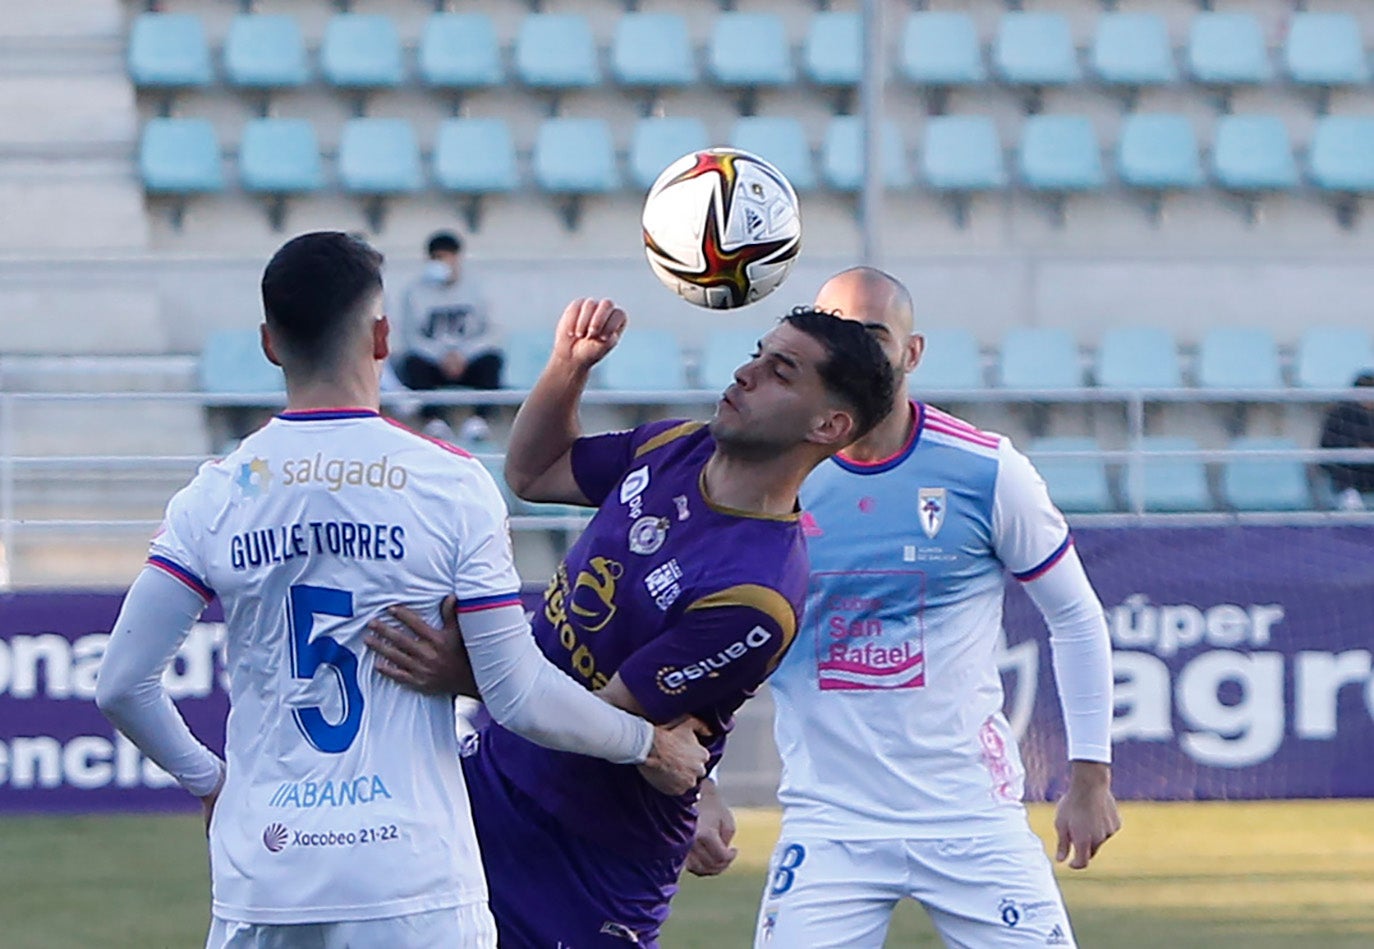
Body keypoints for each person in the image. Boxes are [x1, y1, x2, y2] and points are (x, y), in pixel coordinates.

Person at [95, 233, 708, 949]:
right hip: (411, 879)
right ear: (384, 335)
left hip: (266, 870)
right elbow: (517, 695)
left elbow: (121, 684)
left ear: (269, 343)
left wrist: (209, 781)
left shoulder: (217, 492)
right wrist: (646, 744)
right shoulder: (448, 483)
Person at [371, 296, 897, 947]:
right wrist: (570, 364)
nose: (745, 373)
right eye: (756, 354)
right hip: (496, 773)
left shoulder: (756, 592)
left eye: (781, 371)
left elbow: (603, 719)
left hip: (589, 855)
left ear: (828, 423)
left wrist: (465, 672)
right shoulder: (678, 444)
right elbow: (534, 471)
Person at [687, 267, 1120, 948]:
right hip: (831, 824)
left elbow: (1076, 615)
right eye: (835, 334)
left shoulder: (987, 471)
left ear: (911, 354)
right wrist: (699, 781)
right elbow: (708, 636)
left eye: (872, 335)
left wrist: (1090, 773)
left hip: (972, 817)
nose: (852, 352)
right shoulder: (771, 476)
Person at [393, 230, 503, 441]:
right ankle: (434, 421)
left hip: (468, 360)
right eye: (436, 258)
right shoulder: (414, 292)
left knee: (492, 360)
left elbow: (493, 332)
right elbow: (411, 337)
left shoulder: (478, 289)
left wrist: (463, 355)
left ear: (457, 257)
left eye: (445, 257)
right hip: (434, 362)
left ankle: (479, 421)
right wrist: (441, 356)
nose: (441, 263)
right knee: (412, 363)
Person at [1319, 370, 1374, 511]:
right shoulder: (1339, 413)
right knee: (1339, 461)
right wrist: (1357, 447)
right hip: (1350, 467)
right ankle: (1349, 496)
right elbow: (1327, 444)